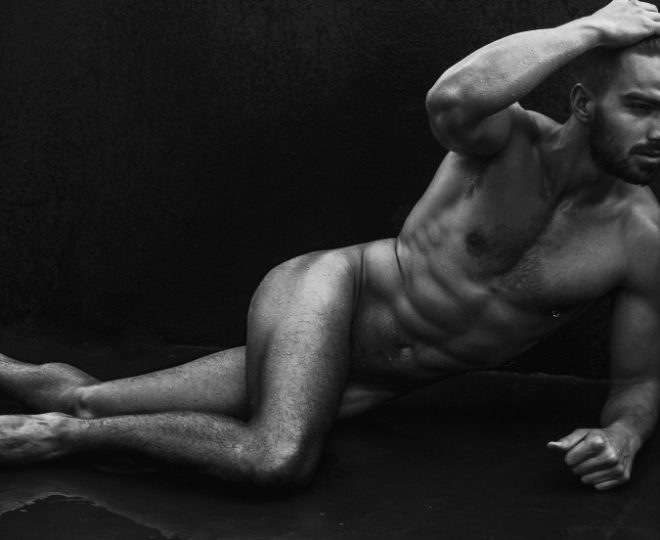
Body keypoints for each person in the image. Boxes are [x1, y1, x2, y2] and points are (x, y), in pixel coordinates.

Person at [0, 0, 659, 492]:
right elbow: (454, 95)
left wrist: (622, 434)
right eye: (641, 106)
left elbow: (640, 378)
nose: (659, 130)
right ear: (583, 102)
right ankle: (57, 440)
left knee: (87, 398)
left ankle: (53, 407)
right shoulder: (508, 139)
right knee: (274, 459)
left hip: (364, 379)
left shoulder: (642, 238)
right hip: (331, 294)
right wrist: (591, 29)